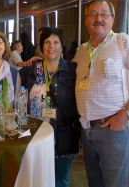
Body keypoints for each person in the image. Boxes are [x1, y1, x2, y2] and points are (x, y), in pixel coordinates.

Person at [72, 0, 129, 187]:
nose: (98, 18)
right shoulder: (81, 51)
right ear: (86, 19)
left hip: (113, 129)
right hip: (87, 130)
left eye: (104, 14)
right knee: (96, 182)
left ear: (112, 18)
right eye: (93, 14)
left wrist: (125, 115)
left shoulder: (124, 42)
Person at [25, 27, 80, 187]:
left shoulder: (72, 69)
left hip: (65, 133)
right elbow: (8, 69)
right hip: (38, 133)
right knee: (39, 177)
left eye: (56, 42)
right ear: (41, 46)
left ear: (62, 46)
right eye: (47, 42)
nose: (51, 46)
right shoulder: (32, 69)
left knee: (61, 179)